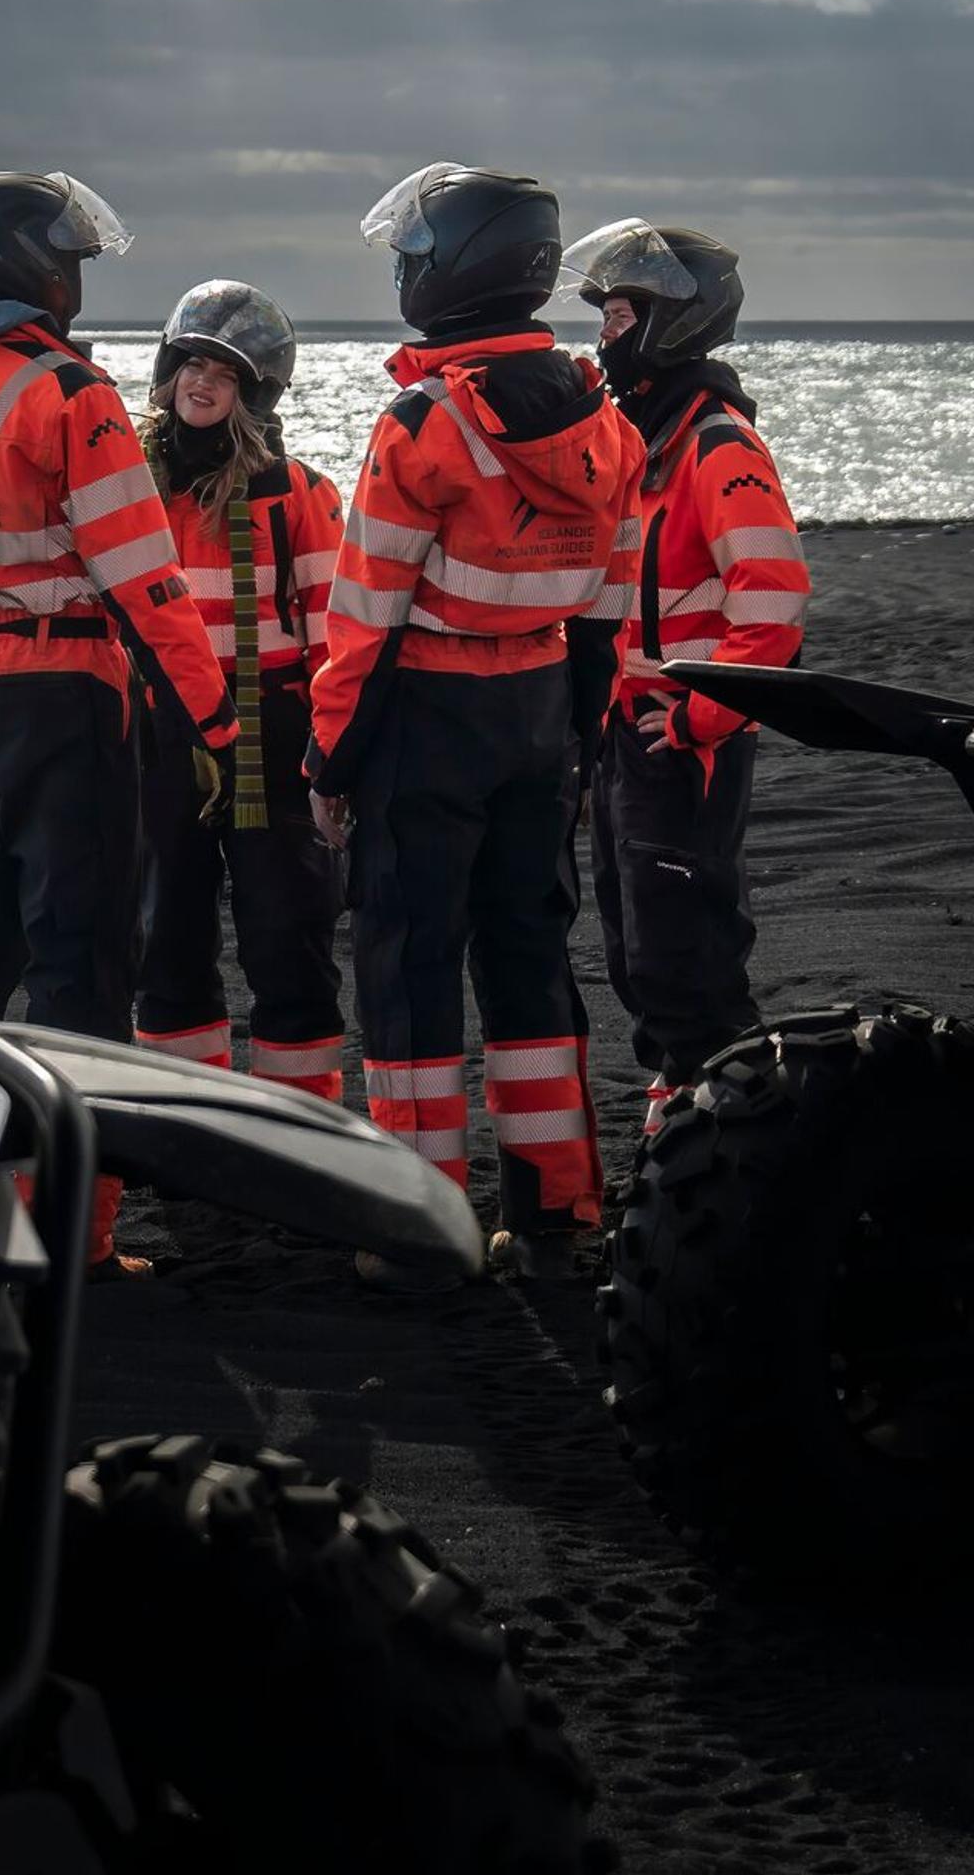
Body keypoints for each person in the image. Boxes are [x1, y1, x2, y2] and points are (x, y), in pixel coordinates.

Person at [0, 172, 239, 1269]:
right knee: (79, 970)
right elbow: (142, 582)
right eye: (68, 260)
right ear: (34, 266)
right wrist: (209, 722)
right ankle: (71, 1235)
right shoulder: (70, 394)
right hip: (70, 702)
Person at [308, 163, 643, 1282]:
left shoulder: (421, 422)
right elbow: (608, 605)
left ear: (449, 267)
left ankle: (420, 1232)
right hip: (543, 711)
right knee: (532, 960)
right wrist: (583, 730)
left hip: (427, 715)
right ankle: (557, 1217)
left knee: (408, 970)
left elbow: (364, 617)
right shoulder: (609, 422)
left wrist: (331, 755)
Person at [560, 218, 807, 1142]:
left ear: (672, 321)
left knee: (685, 953)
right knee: (631, 948)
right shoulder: (641, 442)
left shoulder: (718, 444)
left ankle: (736, 1130)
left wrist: (703, 715)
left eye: (620, 314)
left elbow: (775, 598)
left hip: (685, 737)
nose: (605, 334)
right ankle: (685, 1109)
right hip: (629, 733)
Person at [128, 280, 351, 1101]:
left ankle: (303, 1123)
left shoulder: (299, 496)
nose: (201, 380)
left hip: (274, 735)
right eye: (190, 360)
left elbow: (337, 634)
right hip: (162, 737)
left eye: (222, 370)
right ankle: (190, 1122)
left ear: (253, 391)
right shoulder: (132, 491)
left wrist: (333, 753)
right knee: (166, 939)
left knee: (287, 936)